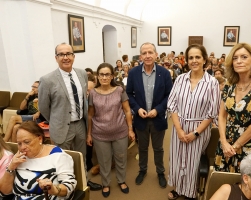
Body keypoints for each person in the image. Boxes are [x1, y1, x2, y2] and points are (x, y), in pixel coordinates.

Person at [38, 42, 101, 190]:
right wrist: (56, 120)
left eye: (68, 54)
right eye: (61, 54)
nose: (65, 57)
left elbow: (84, 99)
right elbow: (43, 107)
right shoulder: (47, 80)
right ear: (56, 58)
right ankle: (66, 189)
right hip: (60, 127)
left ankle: (84, 182)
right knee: (62, 160)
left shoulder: (82, 74)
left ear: (73, 56)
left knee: (81, 157)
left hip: (80, 124)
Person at [167, 44, 220, 200]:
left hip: (199, 128)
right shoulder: (180, 79)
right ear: (186, 60)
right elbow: (172, 105)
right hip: (179, 126)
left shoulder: (212, 83)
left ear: (204, 60)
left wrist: (196, 133)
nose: (194, 60)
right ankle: (179, 188)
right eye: (191, 57)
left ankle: (190, 192)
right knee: (177, 158)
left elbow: (212, 112)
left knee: (192, 162)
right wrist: (179, 129)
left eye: (198, 57)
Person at [214, 43, 251, 173]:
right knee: (222, 181)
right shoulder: (229, 85)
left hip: (248, 144)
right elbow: (222, 116)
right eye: (235, 58)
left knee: (246, 185)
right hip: (226, 143)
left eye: (244, 57)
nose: (239, 61)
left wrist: (235, 147)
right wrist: (224, 143)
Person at [126, 42, 173, 188]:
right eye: (144, 53)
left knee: (158, 148)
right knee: (142, 148)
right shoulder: (133, 73)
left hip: (158, 118)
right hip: (140, 118)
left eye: (150, 52)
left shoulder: (164, 73)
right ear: (140, 56)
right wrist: (137, 108)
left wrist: (158, 109)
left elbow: (170, 95)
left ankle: (160, 172)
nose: (147, 56)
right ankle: (142, 170)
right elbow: (129, 93)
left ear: (156, 55)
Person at [87, 63, 135, 197]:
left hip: (120, 131)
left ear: (112, 76)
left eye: (107, 74)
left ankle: (121, 181)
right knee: (104, 161)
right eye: (101, 74)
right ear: (97, 76)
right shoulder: (93, 94)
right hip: (99, 133)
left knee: (121, 158)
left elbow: (127, 111)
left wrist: (130, 129)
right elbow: (90, 115)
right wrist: (89, 134)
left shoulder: (119, 90)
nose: (104, 77)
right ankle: (106, 183)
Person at [1, 121, 77, 199]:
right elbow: (4, 192)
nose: (22, 147)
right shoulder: (18, 158)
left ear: (40, 139)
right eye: (19, 143)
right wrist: (10, 168)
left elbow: (69, 187)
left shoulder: (58, 156)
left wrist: (54, 189)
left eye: (27, 142)